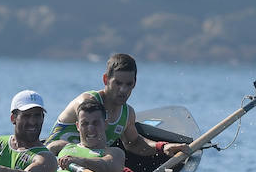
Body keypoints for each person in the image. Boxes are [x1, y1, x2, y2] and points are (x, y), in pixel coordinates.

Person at [45, 53, 189, 160]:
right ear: (106, 80)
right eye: (118, 83)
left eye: (128, 84)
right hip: (52, 160)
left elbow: (134, 143)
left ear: (135, 83)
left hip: (84, 167)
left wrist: (162, 147)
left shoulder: (127, 114)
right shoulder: (87, 102)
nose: (123, 90)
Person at [48, 99, 127, 172]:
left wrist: (77, 161)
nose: (90, 128)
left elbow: (105, 165)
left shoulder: (114, 152)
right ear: (77, 126)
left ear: (105, 124)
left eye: (95, 123)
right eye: (85, 123)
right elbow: (38, 156)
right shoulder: (60, 146)